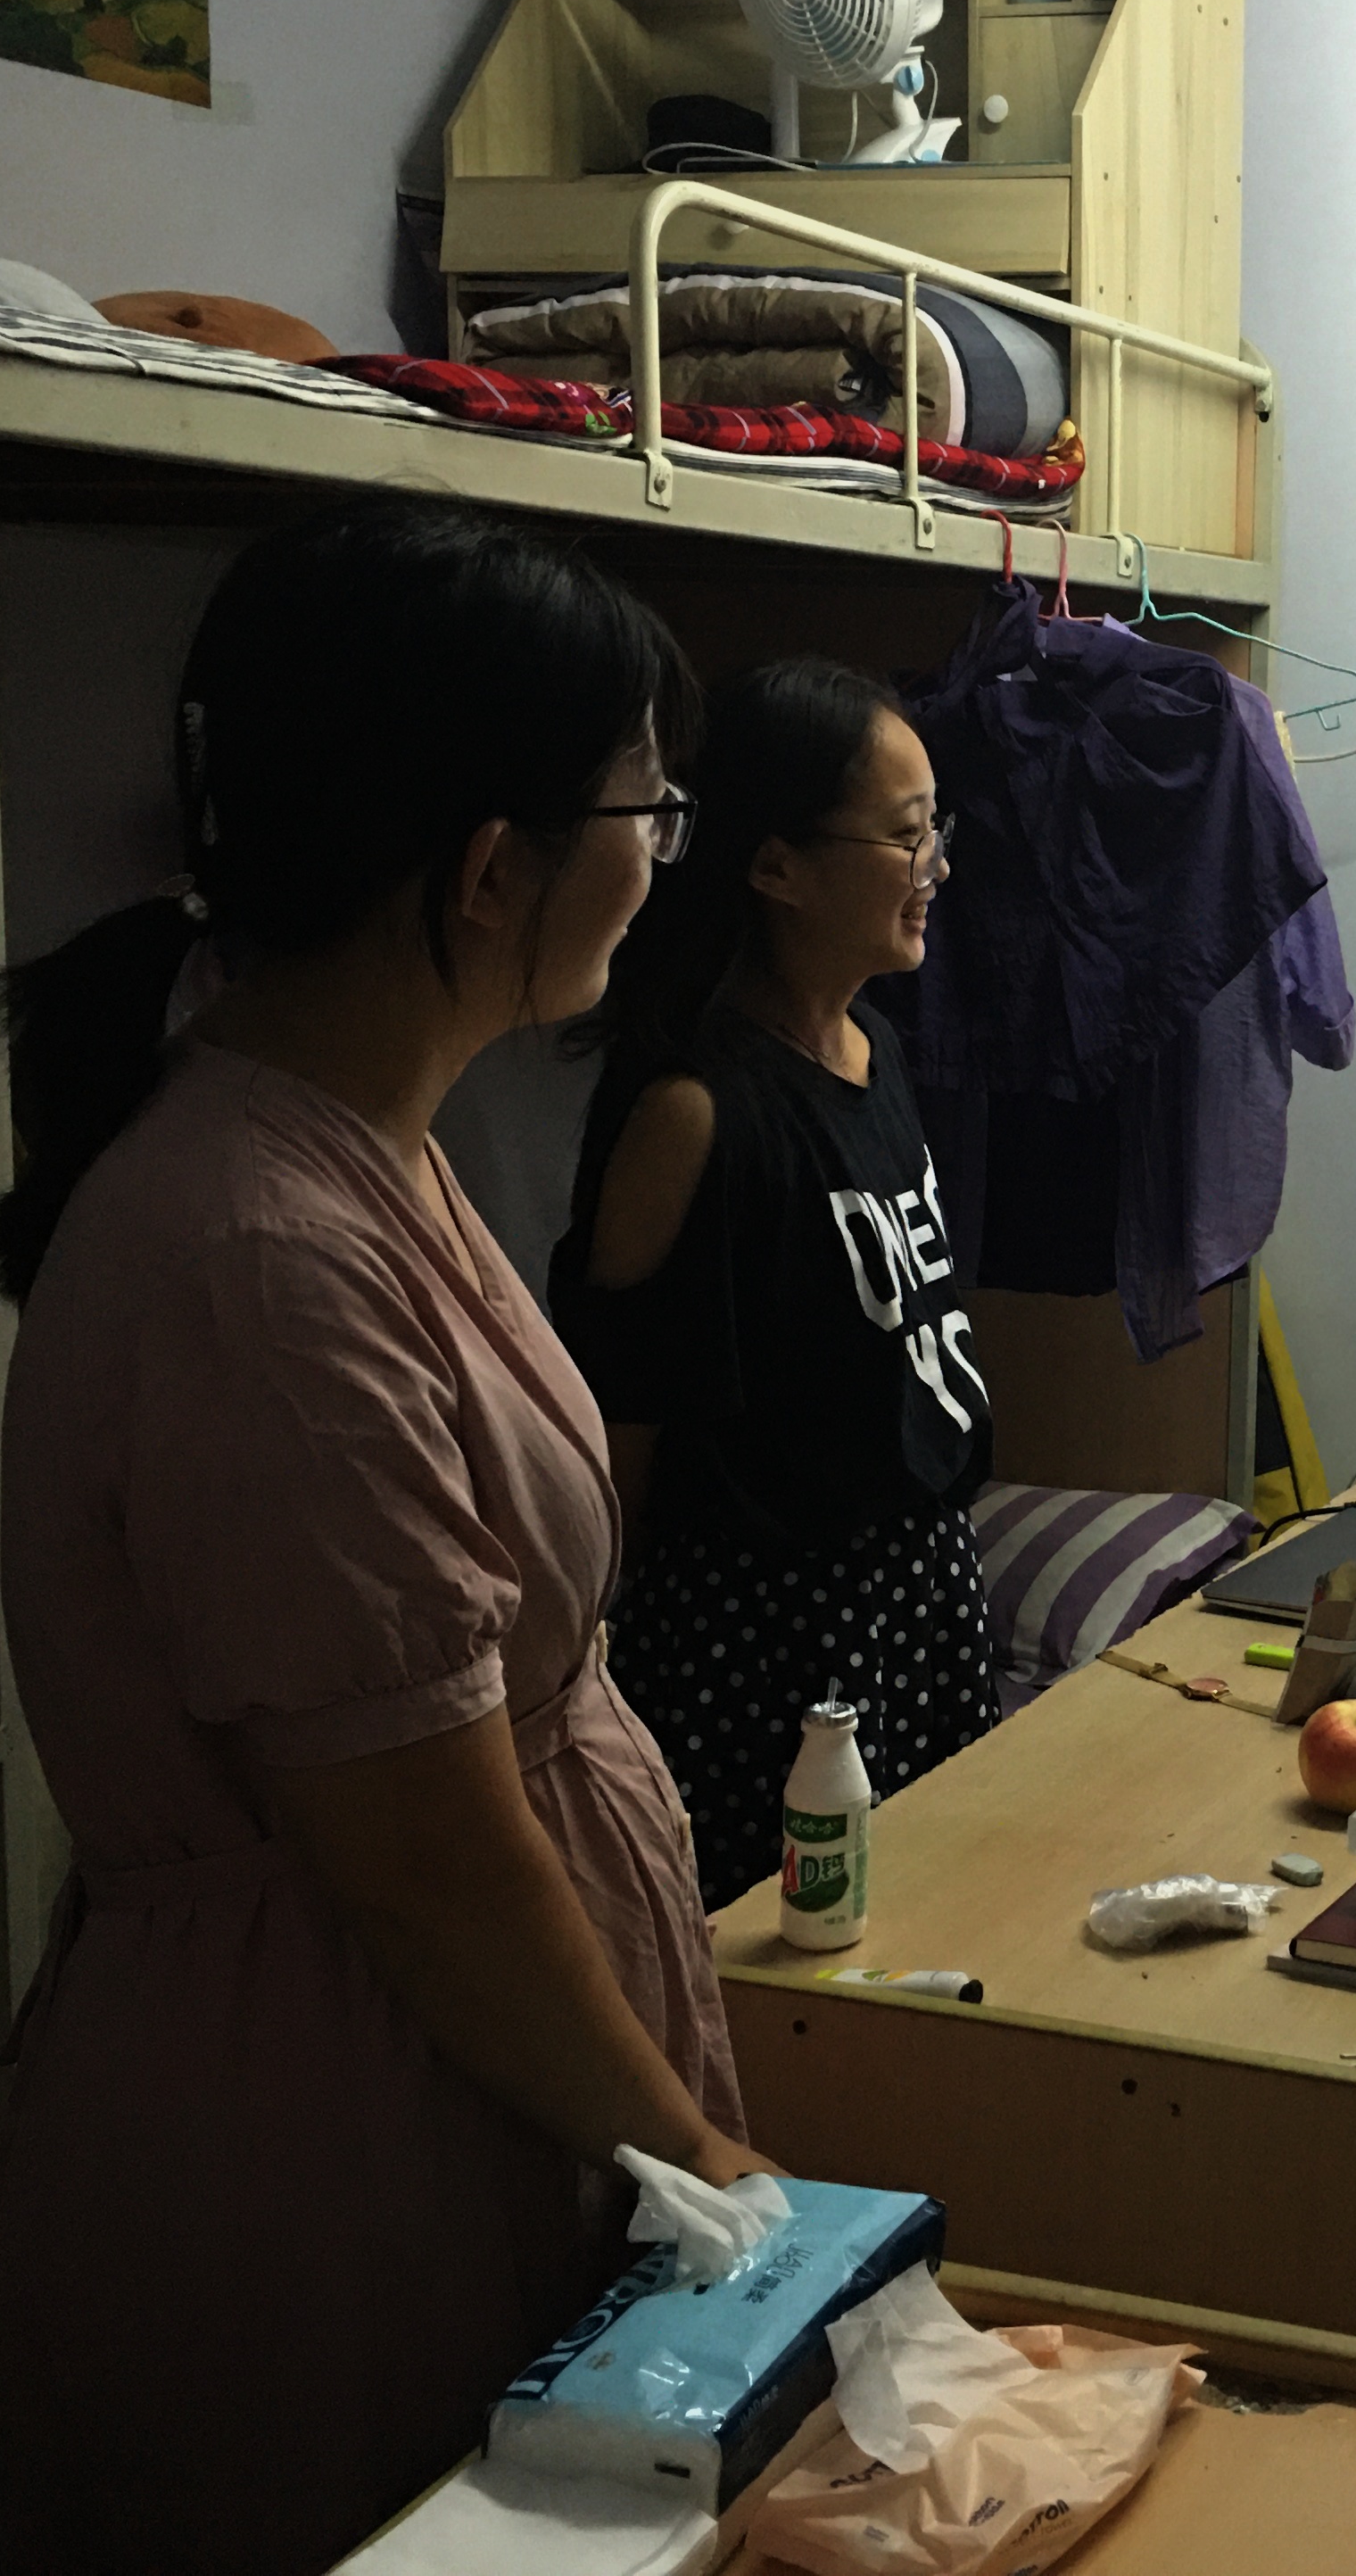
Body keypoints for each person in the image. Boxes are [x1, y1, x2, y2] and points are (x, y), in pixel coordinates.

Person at [0, 506, 771, 2576]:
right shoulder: (261, 1257)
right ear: (492, 867)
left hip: (442, 2071)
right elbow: (421, 1857)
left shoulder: (363, 1151)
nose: (665, 857)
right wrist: (701, 2162)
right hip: (332, 2118)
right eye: (650, 810)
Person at [556, 658, 999, 1916]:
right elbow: (620, 1447)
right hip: (770, 1655)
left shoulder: (877, 1053)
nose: (935, 867)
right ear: (775, 866)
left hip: (923, 1602)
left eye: (937, 830)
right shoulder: (694, 1112)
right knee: (787, 1970)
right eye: (905, 837)